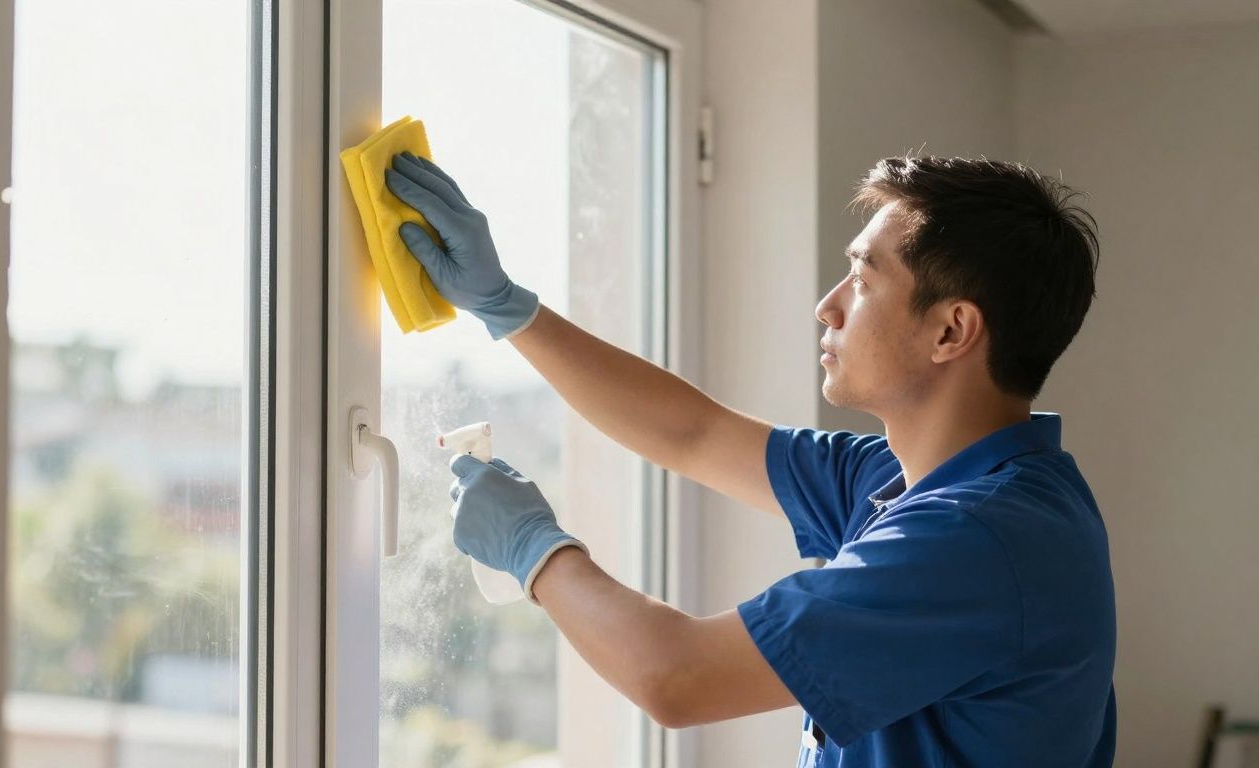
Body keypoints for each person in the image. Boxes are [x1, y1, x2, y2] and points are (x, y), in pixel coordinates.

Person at [385, 150, 1115, 767]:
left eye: (862, 281)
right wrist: (510, 309)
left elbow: (678, 676)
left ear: (951, 330)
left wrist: (535, 551)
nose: (828, 306)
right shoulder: (913, 479)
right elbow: (693, 433)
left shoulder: (980, 542)